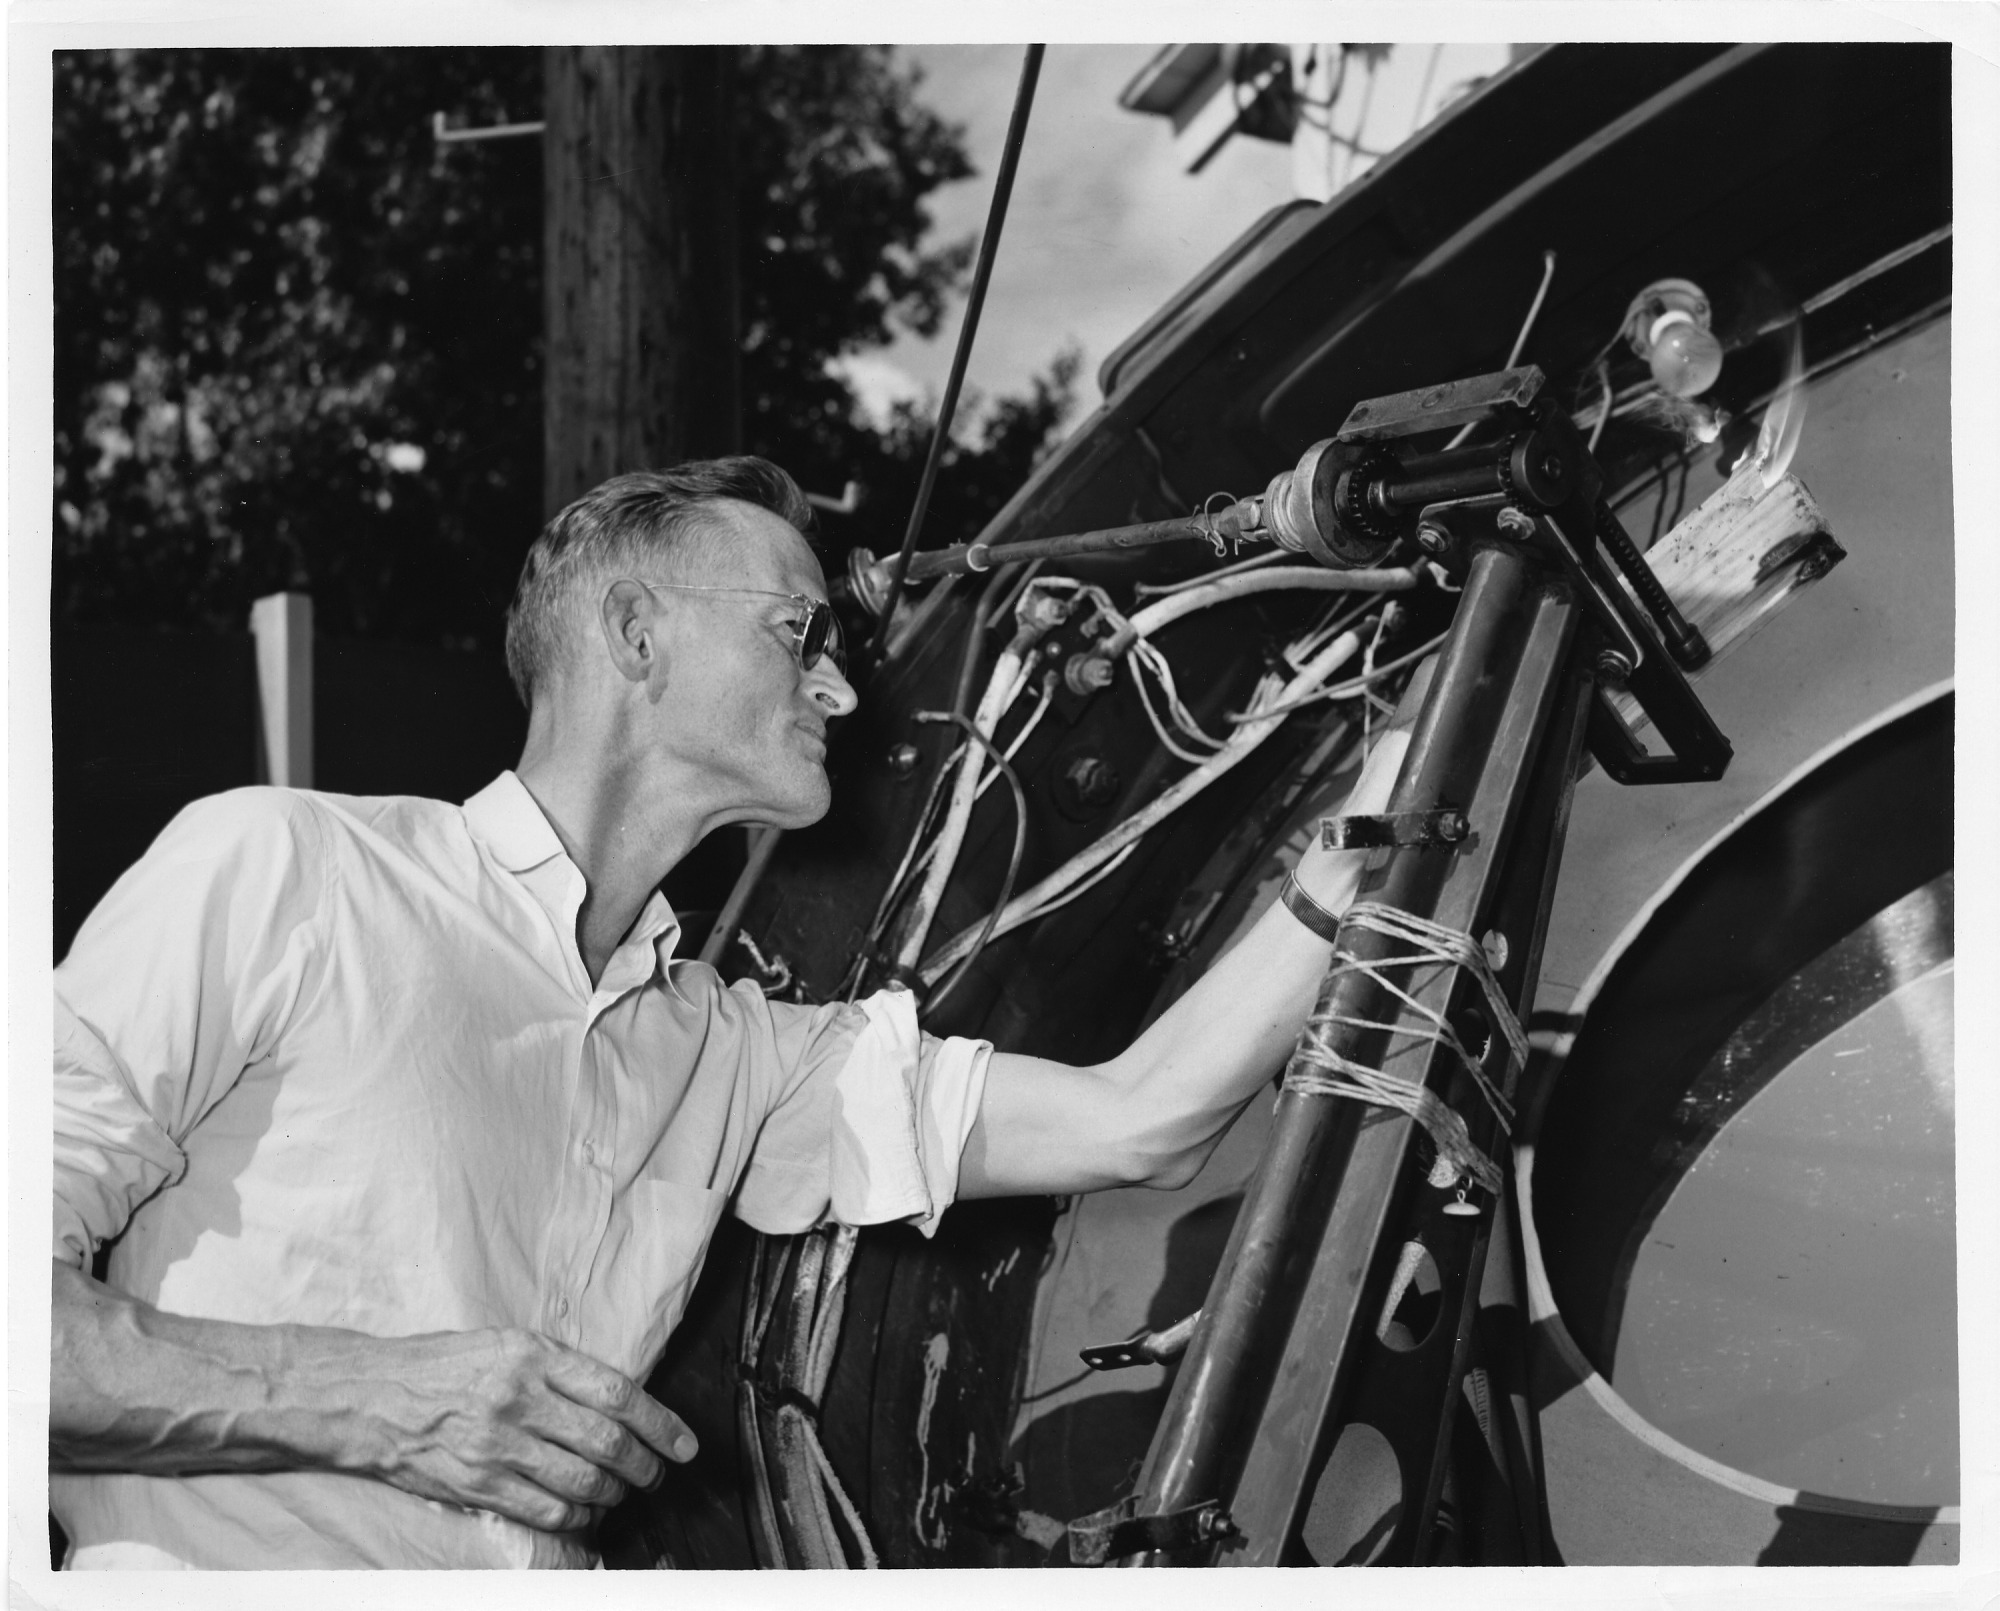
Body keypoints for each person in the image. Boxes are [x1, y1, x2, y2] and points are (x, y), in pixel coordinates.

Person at [50, 457, 1392, 1568]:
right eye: (800, 633)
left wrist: (1377, 825)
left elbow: (1138, 1118)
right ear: (636, 634)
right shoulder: (284, 870)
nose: (842, 689)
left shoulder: (728, 1051)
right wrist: (381, 1401)